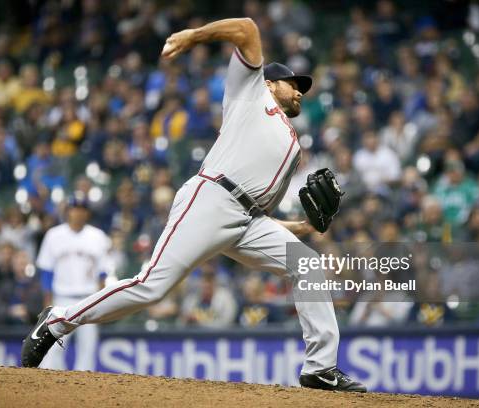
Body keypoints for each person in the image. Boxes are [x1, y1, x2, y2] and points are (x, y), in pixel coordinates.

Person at [21, 17, 365, 392]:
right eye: (293, 83)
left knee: (308, 264)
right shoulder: (251, 94)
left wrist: (303, 228)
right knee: (151, 287)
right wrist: (194, 36)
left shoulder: (292, 146)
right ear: (269, 82)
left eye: (303, 87)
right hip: (211, 198)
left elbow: (259, 213)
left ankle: (320, 368)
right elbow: (248, 28)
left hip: (245, 219)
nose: (300, 91)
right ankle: (57, 320)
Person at [35, 194, 111, 371]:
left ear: (87, 213)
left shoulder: (97, 236)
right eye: (75, 208)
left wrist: (100, 301)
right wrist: (47, 300)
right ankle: (50, 391)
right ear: (68, 211)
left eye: (82, 209)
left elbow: (103, 273)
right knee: (53, 349)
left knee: (87, 350)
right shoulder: (54, 235)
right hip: (61, 299)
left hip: (89, 298)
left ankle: (83, 394)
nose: (78, 213)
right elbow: (46, 271)